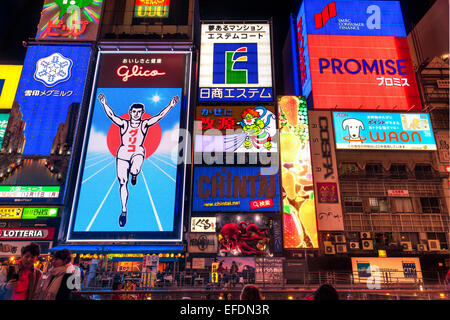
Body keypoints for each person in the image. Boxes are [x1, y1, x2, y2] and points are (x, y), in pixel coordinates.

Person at [97, 93, 180, 227]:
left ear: (142, 113)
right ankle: (124, 211)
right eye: (134, 111)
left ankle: (134, 174)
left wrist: (170, 105)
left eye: (139, 112)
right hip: (123, 154)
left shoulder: (144, 124)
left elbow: (158, 117)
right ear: (130, 112)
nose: (136, 114)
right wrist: (104, 103)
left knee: (135, 169)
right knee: (123, 182)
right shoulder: (124, 124)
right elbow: (112, 116)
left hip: (137, 152)